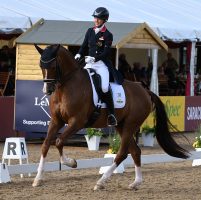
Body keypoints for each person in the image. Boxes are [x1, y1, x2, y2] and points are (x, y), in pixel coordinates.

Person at [74, 7, 123, 126]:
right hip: (89, 64)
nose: (96, 20)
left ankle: (111, 114)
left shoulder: (108, 34)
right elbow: (84, 45)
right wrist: (79, 53)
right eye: (95, 18)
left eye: (98, 18)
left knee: (105, 88)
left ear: (104, 20)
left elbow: (106, 52)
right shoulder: (89, 31)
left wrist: (95, 58)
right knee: (80, 82)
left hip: (101, 65)